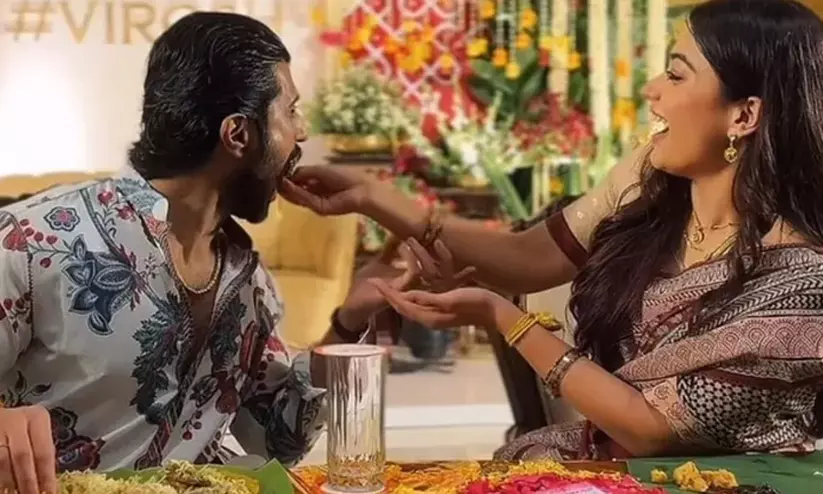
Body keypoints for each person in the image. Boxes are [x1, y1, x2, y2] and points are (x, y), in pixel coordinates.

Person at [284, 0, 823, 461]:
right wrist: (372, 198)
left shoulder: (799, 280)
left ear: (744, 116)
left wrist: (505, 317)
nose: (651, 90)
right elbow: (528, 255)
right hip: (604, 463)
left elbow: (652, 430)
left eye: (676, 75)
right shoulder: (651, 186)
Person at [0, 12, 464, 494]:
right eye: (290, 111)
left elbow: (279, 438)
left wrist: (348, 318)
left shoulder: (247, 281)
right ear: (239, 134)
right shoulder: (36, 242)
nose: (302, 131)